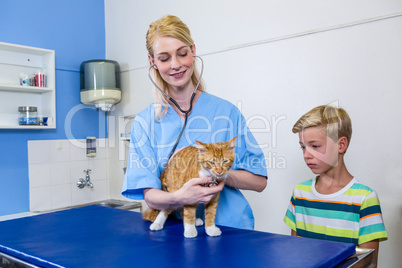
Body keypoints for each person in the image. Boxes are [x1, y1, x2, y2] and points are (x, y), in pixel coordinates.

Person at [122, 15, 267, 230]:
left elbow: (259, 181)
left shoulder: (226, 112)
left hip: (230, 229)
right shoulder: (145, 122)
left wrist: (217, 174)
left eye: (182, 54)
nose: (176, 65)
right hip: (175, 233)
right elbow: (150, 196)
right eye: (164, 58)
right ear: (152, 62)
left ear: (193, 51)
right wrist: (179, 197)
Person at [283, 105, 388, 266]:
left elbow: (368, 263)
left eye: (315, 146)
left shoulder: (365, 198)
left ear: (341, 145)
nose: (306, 155)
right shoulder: (300, 193)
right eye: (303, 147)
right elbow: (295, 252)